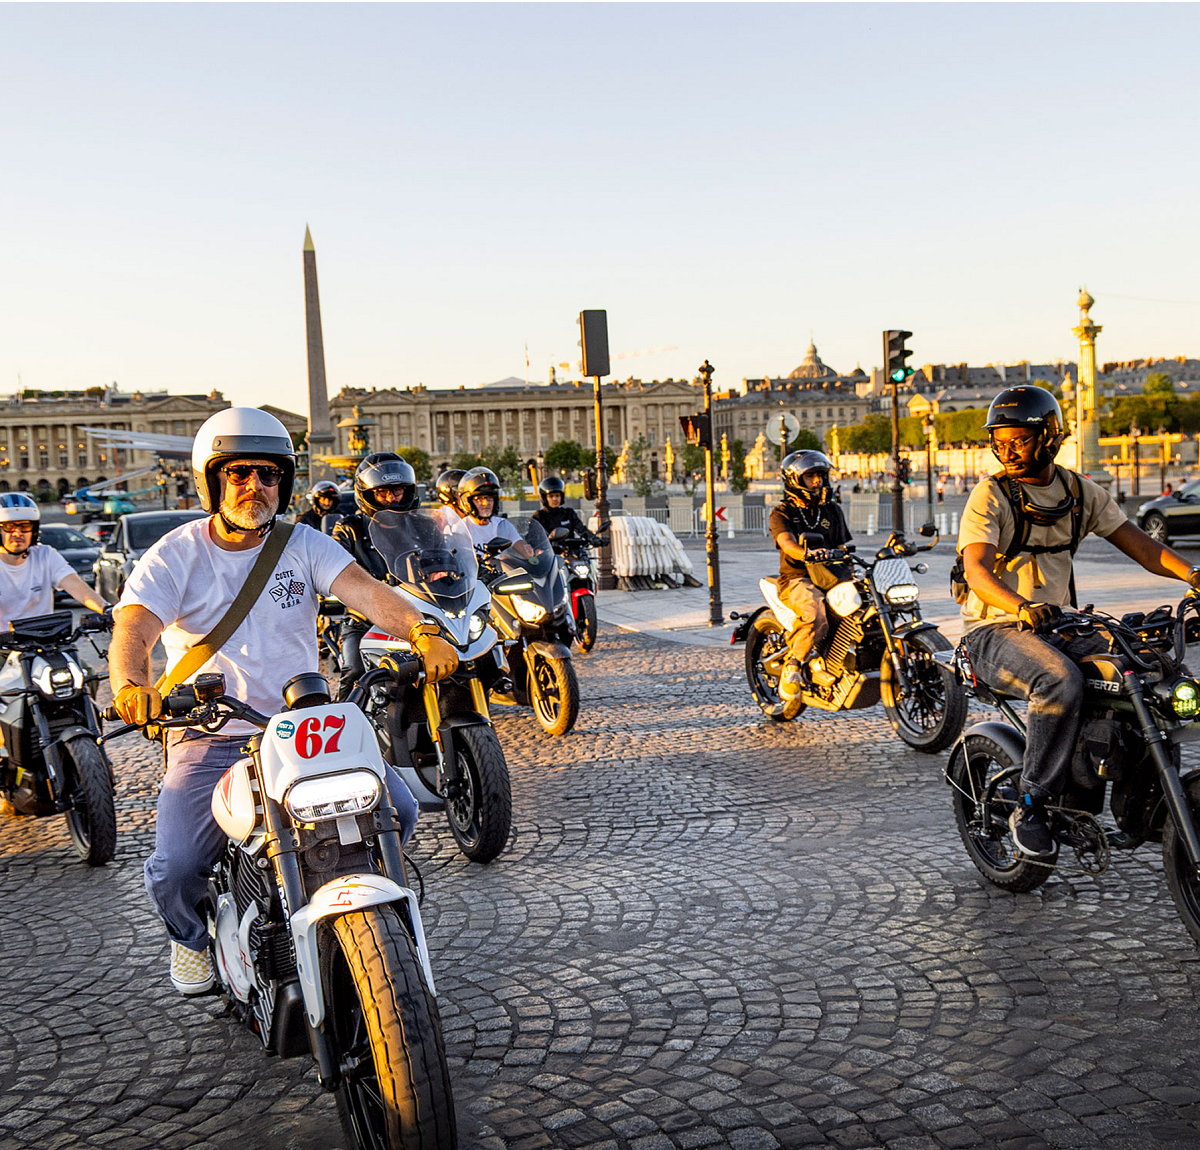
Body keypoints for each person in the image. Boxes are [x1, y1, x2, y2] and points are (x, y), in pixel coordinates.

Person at [108, 408, 458, 996]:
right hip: (211, 730)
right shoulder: (175, 554)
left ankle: (367, 922)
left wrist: (423, 632)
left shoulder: (303, 544)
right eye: (240, 473)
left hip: (303, 726)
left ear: (284, 482)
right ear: (212, 480)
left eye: (268, 475)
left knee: (398, 810)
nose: (255, 486)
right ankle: (193, 939)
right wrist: (130, 684)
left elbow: (369, 594)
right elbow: (134, 630)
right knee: (175, 869)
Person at [957, 386, 1200, 858]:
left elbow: (1145, 548)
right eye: (999, 440)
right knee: (1059, 680)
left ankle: (1142, 802)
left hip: (1062, 625)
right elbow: (977, 572)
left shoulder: (1078, 492)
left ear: (1050, 437)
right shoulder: (990, 495)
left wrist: (1194, 575)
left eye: (1018, 440)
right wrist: (1021, 605)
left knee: (1154, 667)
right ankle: (1031, 804)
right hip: (995, 629)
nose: (1006, 450)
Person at [330, 453, 419, 698]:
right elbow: (332, 569)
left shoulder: (423, 526)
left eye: (398, 491)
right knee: (355, 671)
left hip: (418, 615)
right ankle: (344, 725)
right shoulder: (349, 528)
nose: (391, 498)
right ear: (367, 494)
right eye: (382, 492)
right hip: (365, 619)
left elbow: (445, 560)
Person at [768, 451, 852, 708]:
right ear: (795, 480)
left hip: (832, 574)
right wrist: (807, 554)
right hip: (797, 578)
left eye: (820, 476)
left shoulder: (832, 510)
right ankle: (792, 666)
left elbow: (842, 545)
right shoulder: (781, 513)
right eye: (811, 476)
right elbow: (787, 544)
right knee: (815, 612)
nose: (817, 481)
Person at [0, 493, 108, 629]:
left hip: (45, 643)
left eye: (25, 526)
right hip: (4, 644)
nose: (17, 533)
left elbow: (75, 585)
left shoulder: (45, 555)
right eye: (9, 527)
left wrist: (106, 609)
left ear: (33, 531)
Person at [456, 467, 521, 551]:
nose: (486, 503)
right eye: (479, 499)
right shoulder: (460, 529)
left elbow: (520, 544)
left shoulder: (503, 525)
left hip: (500, 564)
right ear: (467, 501)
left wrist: (532, 553)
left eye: (490, 498)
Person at [531, 476, 602, 546]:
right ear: (545, 498)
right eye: (551, 496)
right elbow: (532, 537)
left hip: (570, 553)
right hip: (550, 554)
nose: (555, 499)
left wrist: (594, 538)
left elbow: (581, 529)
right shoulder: (539, 516)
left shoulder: (568, 513)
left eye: (557, 496)